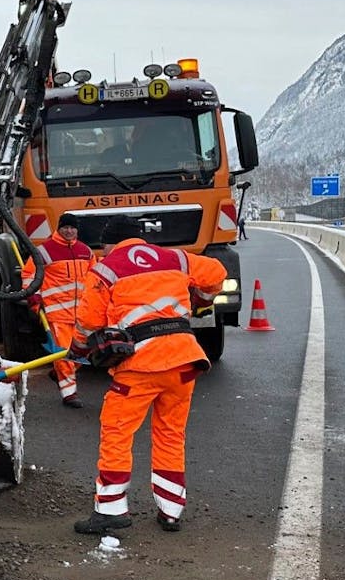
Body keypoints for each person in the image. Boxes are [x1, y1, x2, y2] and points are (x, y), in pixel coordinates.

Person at [68, 216, 226, 533]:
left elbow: (88, 320)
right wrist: (200, 302)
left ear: (110, 243)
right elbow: (217, 274)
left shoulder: (106, 268)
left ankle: (111, 510)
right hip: (184, 359)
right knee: (170, 434)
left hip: (142, 363)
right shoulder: (176, 258)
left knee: (117, 430)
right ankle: (171, 510)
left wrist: (79, 351)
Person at [22, 212, 92, 408]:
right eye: (65, 228)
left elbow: (95, 278)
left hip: (84, 314)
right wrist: (33, 297)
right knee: (64, 353)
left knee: (83, 352)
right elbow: (29, 274)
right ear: (59, 229)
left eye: (72, 228)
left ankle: (58, 372)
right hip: (57, 312)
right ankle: (69, 394)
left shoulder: (86, 251)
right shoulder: (44, 252)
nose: (69, 231)